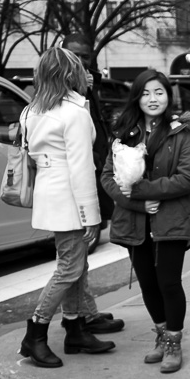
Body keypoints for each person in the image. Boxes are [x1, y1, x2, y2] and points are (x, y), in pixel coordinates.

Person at [16, 47, 115, 368]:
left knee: (76, 265)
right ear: (69, 75)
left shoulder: (31, 111)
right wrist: (91, 216)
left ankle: (75, 328)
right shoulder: (74, 113)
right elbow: (81, 168)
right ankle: (36, 331)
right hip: (70, 197)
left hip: (50, 194)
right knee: (70, 268)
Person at [100, 70, 190, 373]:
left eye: (159, 92)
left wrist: (143, 189)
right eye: (145, 93)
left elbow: (188, 178)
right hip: (134, 221)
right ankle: (161, 333)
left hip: (171, 221)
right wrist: (137, 202)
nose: (152, 99)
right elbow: (108, 177)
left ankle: (173, 341)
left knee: (168, 282)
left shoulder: (181, 134)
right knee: (147, 283)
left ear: (168, 96)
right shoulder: (124, 133)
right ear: (137, 98)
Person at [62, 33, 123, 335]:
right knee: (73, 260)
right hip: (75, 184)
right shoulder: (61, 89)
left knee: (81, 257)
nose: (81, 61)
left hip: (94, 174)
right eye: (74, 55)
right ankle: (69, 318)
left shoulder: (88, 83)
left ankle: (84, 313)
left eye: (85, 56)